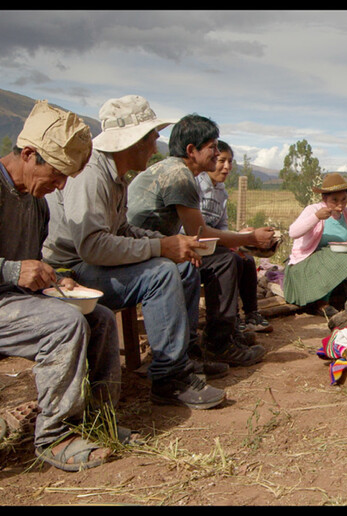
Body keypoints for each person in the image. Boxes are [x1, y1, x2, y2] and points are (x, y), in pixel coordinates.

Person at [42, 95, 228, 409]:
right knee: (161, 273)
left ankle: (180, 358)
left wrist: (172, 245)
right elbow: (93, 247)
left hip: (92, 263)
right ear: (134, 141)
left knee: (181, 266)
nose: (156, 148)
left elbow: (123, 231)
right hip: (70, 272)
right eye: (152, 139)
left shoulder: (116, 178)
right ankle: (168, 378)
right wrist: (161, 247)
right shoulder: (91, 176)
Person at [0, 100, 123, 471]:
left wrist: (53, 276)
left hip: (13, 303)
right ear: (27, 154)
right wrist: (11, 272)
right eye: (56, 173)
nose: (61, 185)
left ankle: (98, 422)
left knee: (98, 317)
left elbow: (30, 262)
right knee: (64, 324)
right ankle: (55, 436)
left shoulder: (35, 204)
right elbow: (14, 269)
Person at [126, 114, 275, 367]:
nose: (217, 154)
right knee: (224, 262)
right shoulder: (179, 175)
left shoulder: (176, 172)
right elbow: (202, 234)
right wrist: (249, 237)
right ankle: (217, 344)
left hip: (154, 248)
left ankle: (211, 340)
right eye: (212, 147)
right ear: (191, 150)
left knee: (228, 259)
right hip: (143, 253)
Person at [194, 140, 273, 334]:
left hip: (214, 245)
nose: (227, 167)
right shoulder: (195, 186)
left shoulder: (221, 192)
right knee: (232, 260)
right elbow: (194, 229)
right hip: (196, 246)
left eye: (230, 161)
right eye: (222, 160)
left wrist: (241, 236)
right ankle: (231, 319)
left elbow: (222, 227)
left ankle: (251, 313)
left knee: (246, 260)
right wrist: (246, 239)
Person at [283, 173, 347, 317]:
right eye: (335, 200)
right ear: (324, 198)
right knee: (331, 256)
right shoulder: (314, 211)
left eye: (344, 199)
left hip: (338, 257)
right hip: (308, 261)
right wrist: (316, 218)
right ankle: (323, 303)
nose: (340, 205)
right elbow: (293, 232)